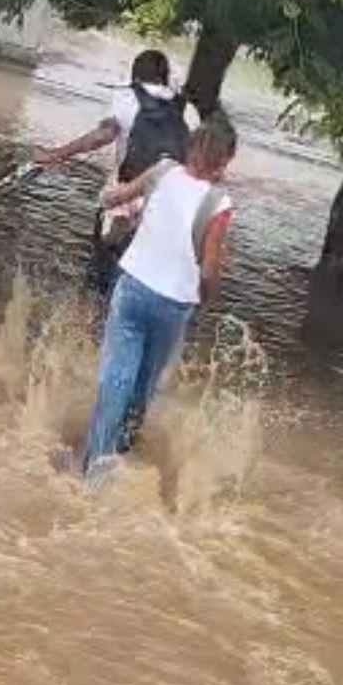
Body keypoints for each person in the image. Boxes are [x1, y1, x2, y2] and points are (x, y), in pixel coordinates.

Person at [80, 113, 238, 479]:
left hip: (133, 286)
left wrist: (111, 199)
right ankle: (122, 447)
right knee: (144, 383)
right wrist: (207, 295)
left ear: (192, 146)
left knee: (115, 375)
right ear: (225, 160)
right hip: (174, 305)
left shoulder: (162, 171)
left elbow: (114, 198)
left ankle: (94, 466)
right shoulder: (219, 204)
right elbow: (210, 268)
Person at [31, 49, 193, 291]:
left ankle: (89, 316)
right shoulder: (183, 109)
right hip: (164, 205)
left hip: (124, 195)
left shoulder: (127, 97)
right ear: (166, 77)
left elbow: (104, 135)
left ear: (135, 75)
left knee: (100, 272)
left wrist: (56, 154)